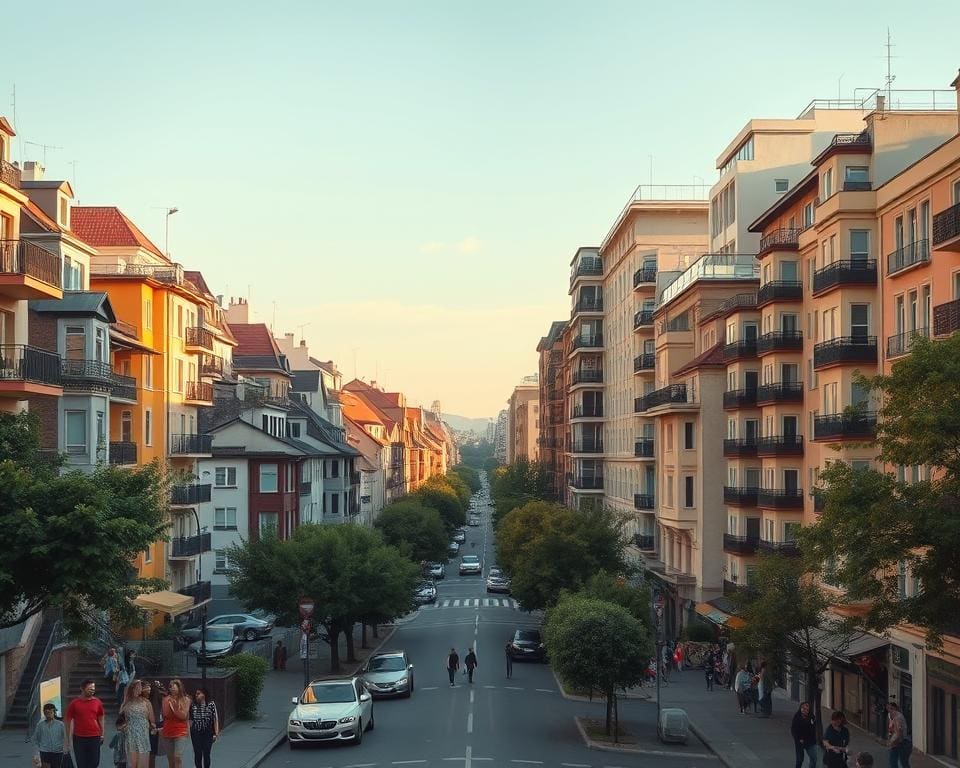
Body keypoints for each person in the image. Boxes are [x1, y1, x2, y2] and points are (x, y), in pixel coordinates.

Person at [65, 678, 106, 768]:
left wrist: (102, 734)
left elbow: (101, 718)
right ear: (82, 689)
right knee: (81, 763)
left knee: (94, 762)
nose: (92, 691)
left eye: (93, 689)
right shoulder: (74, 703)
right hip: (79, 738)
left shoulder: (97, 702)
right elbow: (68, 720)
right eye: (90, 689)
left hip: (94, 736)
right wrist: (68, 738)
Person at [121, 680, 155, 768]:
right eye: (137, 687)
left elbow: (152, 721)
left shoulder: (146, 702)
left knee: (142, 765)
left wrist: (153, 727)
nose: (139, 689)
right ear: (132, 689)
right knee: (132, 764)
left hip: (143, 737)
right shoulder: (127, 703)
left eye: (140, 687)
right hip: (130, 737)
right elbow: (120, 720)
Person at [160, 679, 191, 768]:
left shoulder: (186, 699)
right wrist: (167, 702)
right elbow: (165, 714)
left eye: (174, 686)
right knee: (171, 760)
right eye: (170, 686)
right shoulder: (166, 699)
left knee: (177, 757)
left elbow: (183, 716)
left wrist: (175, 707)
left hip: (181, 732)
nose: (172, 688)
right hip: (168, 731)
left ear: (179, 687)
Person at [188, 686, 219, 768]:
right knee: (197, 753)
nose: (196, 695)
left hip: (207, 731)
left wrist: (216, 733)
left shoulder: (211, 704)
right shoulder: (193, 705)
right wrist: (191, 730)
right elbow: (190, 719)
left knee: (206, 753)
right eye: (196, 694)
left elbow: (215, 719)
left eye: (198, 694)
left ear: (204, 695)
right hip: (196, 731)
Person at [32, 702, 67, 768]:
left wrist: (65, 749)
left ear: (54, 712)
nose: (49, 714)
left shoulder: (60, 724)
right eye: (47, 712)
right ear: (44, 713)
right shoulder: (40, 725)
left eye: (51, 712)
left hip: (58, 752)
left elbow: (65, 738)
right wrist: (37, 752)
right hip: (45, 752)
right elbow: (35, 739)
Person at [141, 681, 165, 768]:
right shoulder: (138, 700)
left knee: (152, 753)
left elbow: (164, 695)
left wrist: (159, 686)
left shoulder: (155, 696)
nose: (148, 689)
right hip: (141, 728)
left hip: (152, 727)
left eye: (149, 687)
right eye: (146, 687)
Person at [791, 701, 818, 768]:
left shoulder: (812, 717)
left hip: (810, 741)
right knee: (799, 760)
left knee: (814, 757)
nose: (804, 710)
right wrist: (798, 739)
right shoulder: (797, 717)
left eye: (806, 709)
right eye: (803, 708)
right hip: (800, 741)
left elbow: (813, 730)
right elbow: (793, 730)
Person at [886, 701, 912, 767]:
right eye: (888, 708)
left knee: (903, 762)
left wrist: (893, 742)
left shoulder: (898, 718)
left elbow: (899, 733)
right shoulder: (890, 716)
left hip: (902, 743)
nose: (890, 710)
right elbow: (891, 730)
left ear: (895, 709)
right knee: (894, 761)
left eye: (892, 708)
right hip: (897, 742)